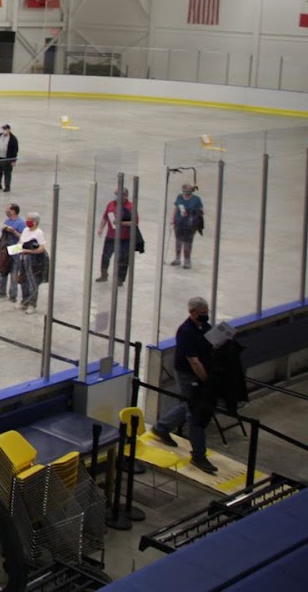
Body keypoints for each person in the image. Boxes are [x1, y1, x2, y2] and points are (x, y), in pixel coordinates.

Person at [151, 296, 219, 473]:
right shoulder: (186, 332)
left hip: (200, 370)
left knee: (189, 403)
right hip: (188, 374)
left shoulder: (205, 326)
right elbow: (194, 362)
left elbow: (213, 344)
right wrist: (205, 380)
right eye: (202, 313)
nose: (205, 316)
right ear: (192, 312)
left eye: (207, 312)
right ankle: (198, 455)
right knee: (195, 412)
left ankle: (162, 427)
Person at [12, 212, 48, 313]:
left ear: (35, 222)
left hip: (33, 261)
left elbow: (41, 248)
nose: (27, 222)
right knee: (23, 280)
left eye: (29, 220)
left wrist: (28, 251)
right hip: (22, 258)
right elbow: (20, 242)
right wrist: (15, 250)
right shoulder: (25, 230)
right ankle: (24, 302)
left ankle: (32, 304)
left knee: (33, 282)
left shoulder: (39, 233)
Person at [97, 192, 136, 284]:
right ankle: (104, 274)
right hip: (111, 236)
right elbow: (105, 217)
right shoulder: (111, 204)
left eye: (118, 194)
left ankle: (120, 279)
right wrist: (101, 228)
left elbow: (134, 222)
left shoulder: (130, 207)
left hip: (124, 238)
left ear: (125, 196)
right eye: (115, 194)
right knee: (105, 256)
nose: (116, 196)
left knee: (123, 259)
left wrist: (121, 223)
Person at [0, 204, 25, 301]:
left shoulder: (21, 223)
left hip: (15, 248)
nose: (6, 211)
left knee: (14, 273)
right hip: (6, 248)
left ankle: (13, 295)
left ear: (13, 211)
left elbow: (23, 237)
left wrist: (14, 231)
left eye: (8, 210)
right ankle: (2, 291)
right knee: (2, 270)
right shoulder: (7, 221)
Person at [172, 183, 204, 269]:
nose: (186, 193)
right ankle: (177, 258)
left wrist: (192, 214)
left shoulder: (196, 199)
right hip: (179, 223)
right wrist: (173, 219)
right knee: (178, 241)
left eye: (188, 191)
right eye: (184, 191)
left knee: (187, 243)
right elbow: (176, 208)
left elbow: (201, 212)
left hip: (190, 225)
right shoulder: (179, 197)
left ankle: (187, 261)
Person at [0, 124, 19, 193]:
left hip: (7, 159)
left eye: (5, 129)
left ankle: (7, 187)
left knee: (7, 173)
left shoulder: (13, 139)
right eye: (3, 129)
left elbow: (15, 150)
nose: (3, 131)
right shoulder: (0, 135)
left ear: (9, 130)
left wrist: (13, 160)